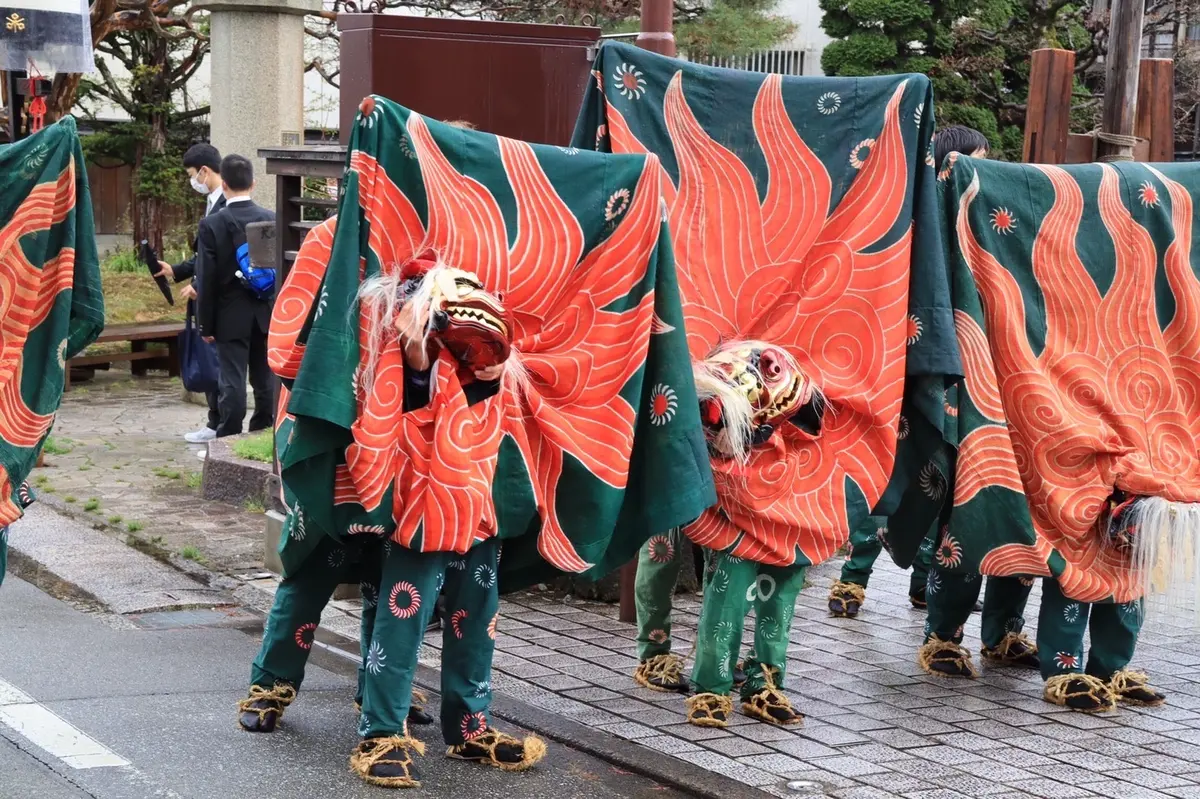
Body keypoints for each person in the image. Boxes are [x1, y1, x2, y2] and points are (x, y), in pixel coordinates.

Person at [913, 125, 1040, 679]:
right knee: (965, 513)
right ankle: (942, 634)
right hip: (960, 387)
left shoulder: (1002, 227)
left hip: (1017, 381)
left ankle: (1005, 631)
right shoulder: (931, 223)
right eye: (973, 164)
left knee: (1023, 510)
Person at [195, 154, 276, 437]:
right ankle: (264, 430)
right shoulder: (271, 218)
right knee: (265, 377)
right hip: (266, 311)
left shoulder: (213, 224)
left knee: (232, 379)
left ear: (225, 184)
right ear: (253, 183)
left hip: (229, 314)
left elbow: (206, 279)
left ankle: (228, 436)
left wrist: (204, 323)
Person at [154, 143, 225, 444]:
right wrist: (176, 270)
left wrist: (200, 286)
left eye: (192, 175)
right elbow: (204, 255)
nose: (191, 181)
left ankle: (222, 427)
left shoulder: (226, 205)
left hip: (221, 300)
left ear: (205, 171)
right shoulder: (211, 202)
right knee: (211, 360)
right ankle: (214, 422)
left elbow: (223, 258)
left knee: (221, 364)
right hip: (205, 298)